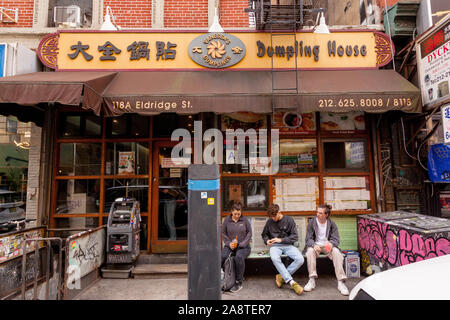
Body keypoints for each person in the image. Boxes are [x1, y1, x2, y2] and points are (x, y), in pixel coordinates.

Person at [303, 204, 349, 295]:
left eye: (320, 213)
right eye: (317, 212)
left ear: (326, 214)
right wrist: (313, 244)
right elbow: (308, 239)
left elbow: (336, 239)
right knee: (310, 252)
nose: (317, 214)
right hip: (316, 246)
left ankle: (341, 282)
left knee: (337, 253)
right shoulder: (312, 222)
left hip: (327, 246)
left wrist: (331, 244)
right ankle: (311, 280)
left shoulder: (332, 224)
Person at [261, 204, 304, 295]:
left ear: (279, 212)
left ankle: (281, 277)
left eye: (274, 216)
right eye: (271, 217)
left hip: (288, 245)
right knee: (274, 258)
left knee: (300, 259)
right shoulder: (269, 221)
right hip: (275, 246)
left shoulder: (289, 220)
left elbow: (295, 237)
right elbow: (264, 234)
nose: (273, 218)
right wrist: (267, 241)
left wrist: (281, 240)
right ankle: (291, 282)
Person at [221, 203, 252, 293]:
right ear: (232, 212)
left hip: (243, 246)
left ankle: (239, 282)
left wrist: (241, 244)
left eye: (239, 214)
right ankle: (224, 277)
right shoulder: (227, 220)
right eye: (235, 214)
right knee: (223, 256)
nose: (237, 216)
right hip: (230, 245)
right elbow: (223, 233)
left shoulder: (245, 220)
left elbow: (249, 233)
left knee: (239, 257)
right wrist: (228, 243)